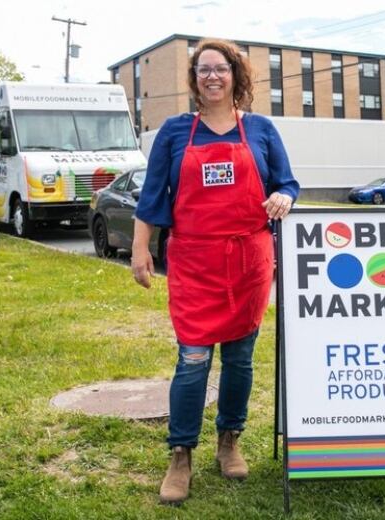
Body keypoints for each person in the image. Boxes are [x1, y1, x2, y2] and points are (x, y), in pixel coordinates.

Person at [132, 38, 299, 505]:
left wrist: (285, 197)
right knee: (192, 361)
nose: (212, 76)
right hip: (194, 261)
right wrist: (140, 249)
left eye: (220, 68)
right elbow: (152, 197)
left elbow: (285, 182)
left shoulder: (261, 130)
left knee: (240, 359)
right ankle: (181, 453)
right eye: (203, 69)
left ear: (235, 75)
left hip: (247, 260)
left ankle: (229, 440)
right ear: (194, 79)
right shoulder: (174, 132)